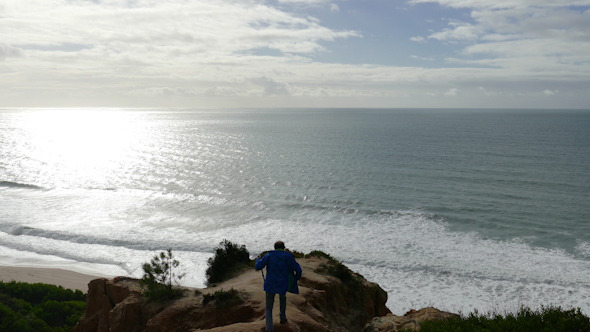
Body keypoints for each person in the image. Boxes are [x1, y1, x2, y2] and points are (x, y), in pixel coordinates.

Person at [255, 240, 302, 332]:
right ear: (283, 248)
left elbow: (258, 267)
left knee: (269, 307)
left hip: (270, 284)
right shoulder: (288, 256)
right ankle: (283, 318)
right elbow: (298, 270)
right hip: (283, 284)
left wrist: (258, 259)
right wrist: (295, 278)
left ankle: (269, 329)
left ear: (275, 248)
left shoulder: (269, 255)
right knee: (282, 298)